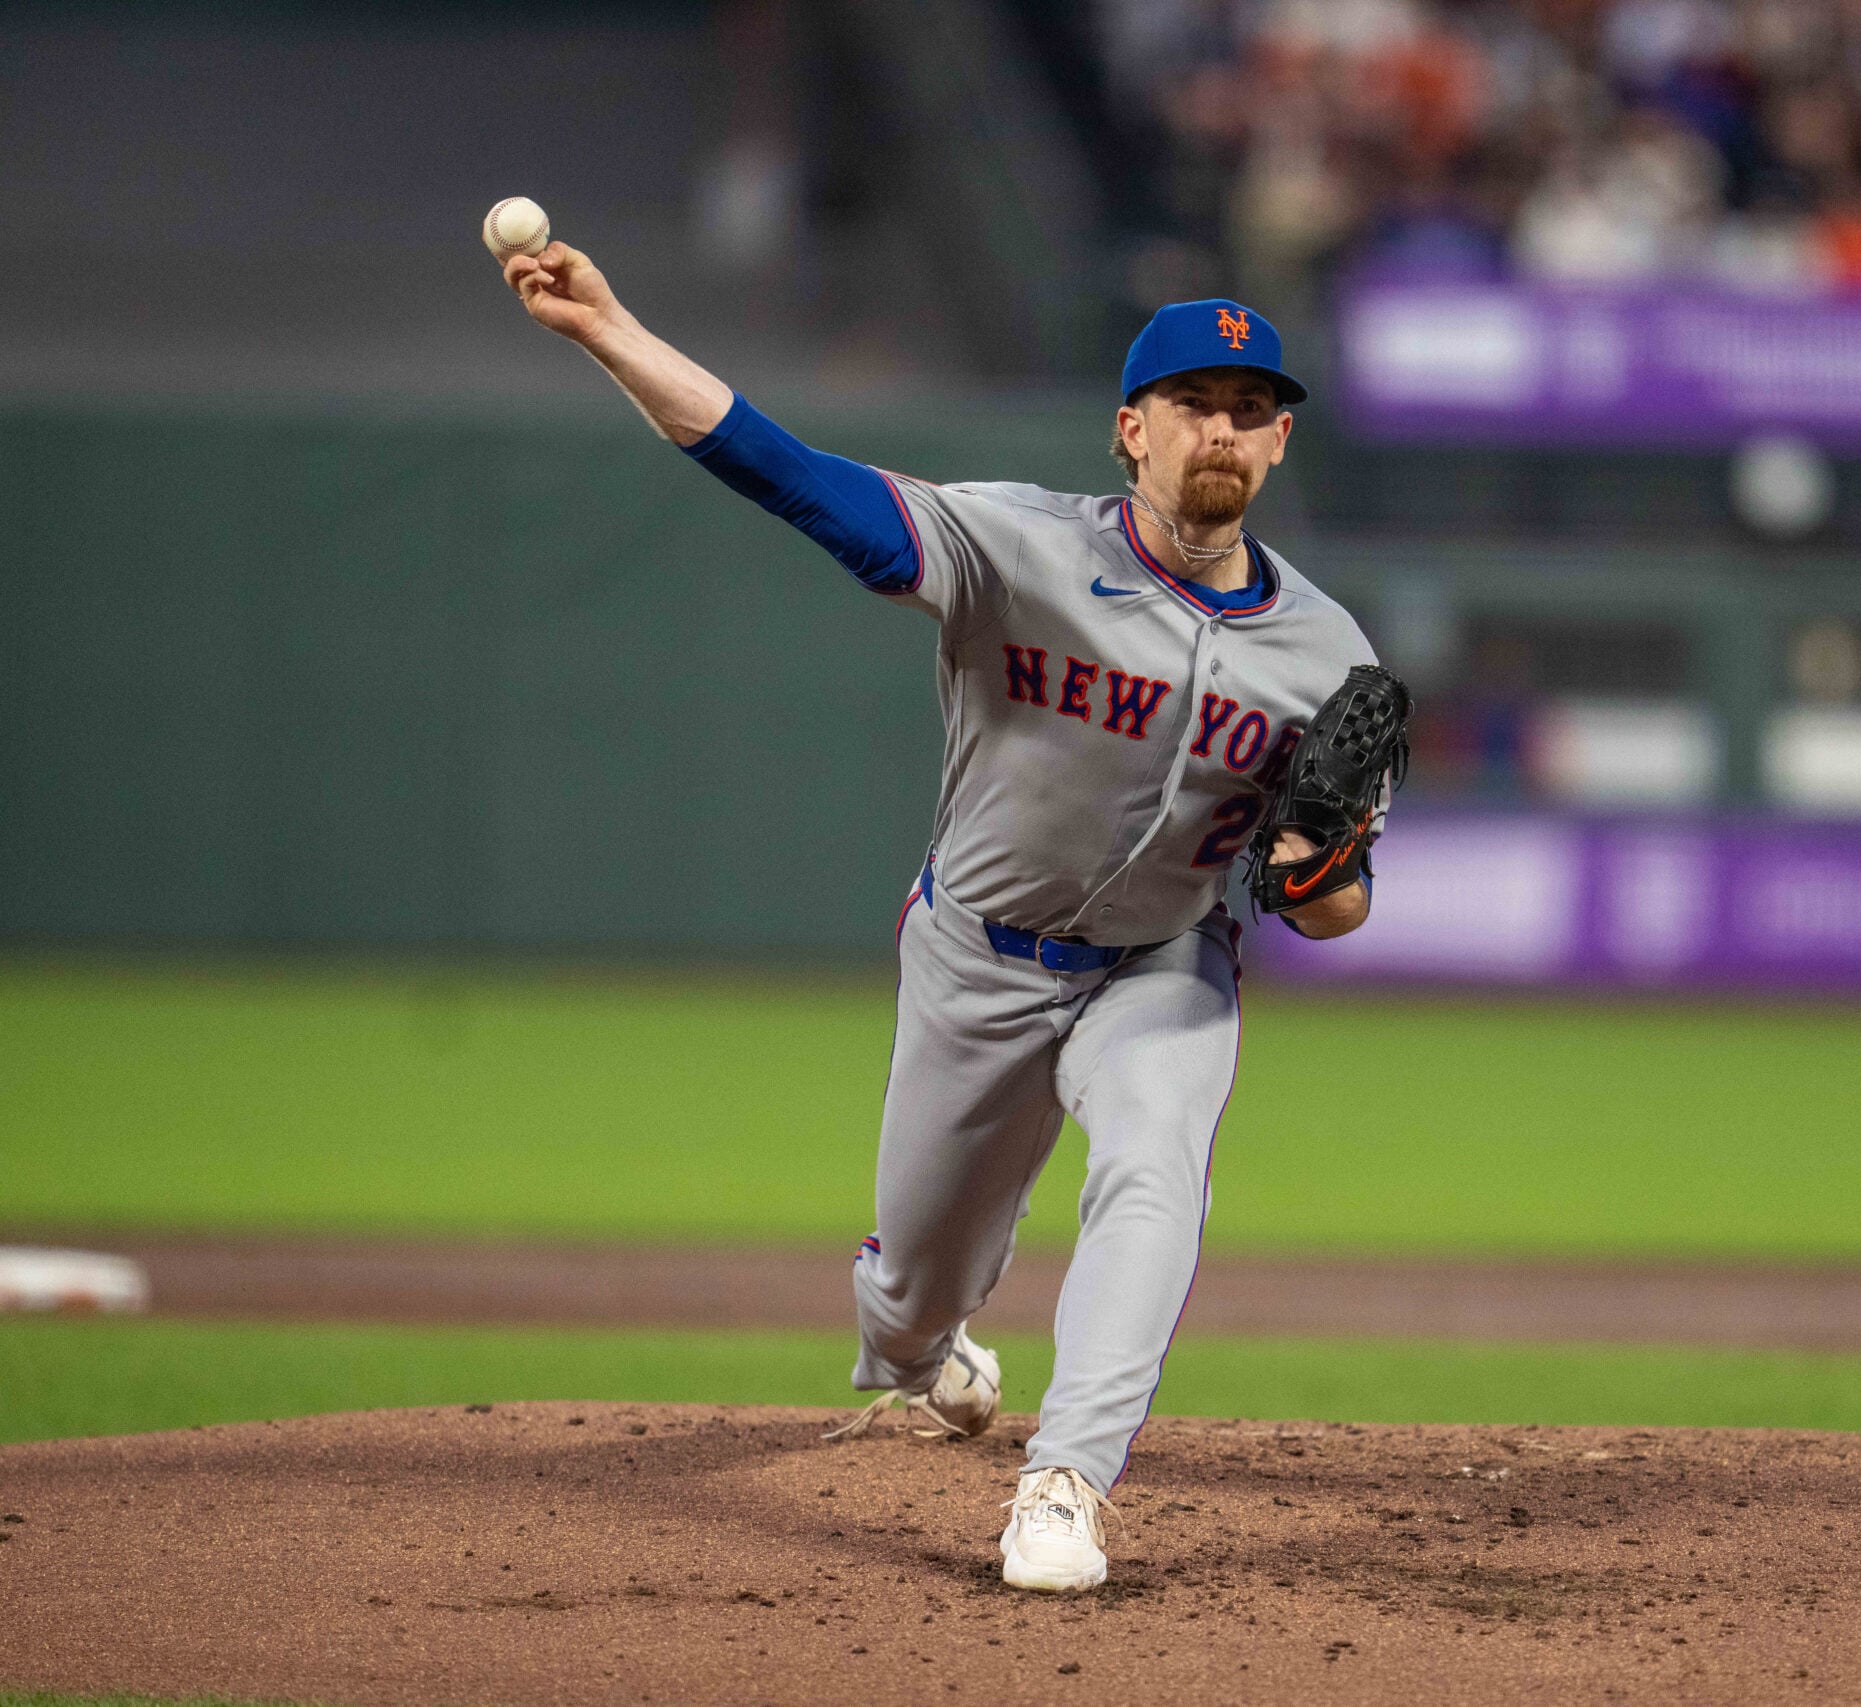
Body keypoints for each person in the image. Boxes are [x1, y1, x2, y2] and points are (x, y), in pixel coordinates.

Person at [493, 243, 1382, 1592]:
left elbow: (1334, 909)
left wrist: (1322, 880)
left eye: (1249, 408)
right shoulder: (1013, 544)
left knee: (1154, 1160)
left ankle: (1066, 1483)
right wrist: (610, 331)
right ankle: (928, 1353)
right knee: (912, 1297)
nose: (1222, 426)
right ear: (1131, 429)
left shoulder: (1331, 654)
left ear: (1279, 443)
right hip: (976, 960)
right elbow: (788, 474)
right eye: (1193, 401)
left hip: (1164, 964)